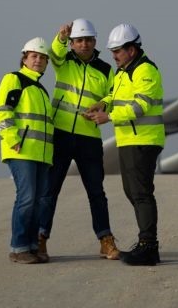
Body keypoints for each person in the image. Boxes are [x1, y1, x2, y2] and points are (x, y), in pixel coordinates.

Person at [38, 19, 120, 261]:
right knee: (49, 191)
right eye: (79, 40)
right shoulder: (64, 61)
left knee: (96, 192)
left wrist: (103, 104)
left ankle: (106, 240)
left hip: (89, 138)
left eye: (88, 40)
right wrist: (61, 38)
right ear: (73, 44)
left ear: (95, 42)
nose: (84, 44)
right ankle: (40, 239)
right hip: (61, 135)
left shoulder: (105, 69)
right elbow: (54, 52)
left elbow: (113, 95)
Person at [85, 23, 165, 266]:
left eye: (118, 50)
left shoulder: (145, 71)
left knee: (141, 193)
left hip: (144, 140)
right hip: (129, 140)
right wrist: (103, 104)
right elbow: (116, 97)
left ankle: (148, 246)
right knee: (133, 192)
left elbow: (140, 106)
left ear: (132, 49)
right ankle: (146, 244)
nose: (114, 55)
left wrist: (108, 117)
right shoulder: (123, 72)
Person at [0, 37, 54, 264]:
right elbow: (2, 112)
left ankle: (30, 246)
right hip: (21, 151)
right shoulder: (14, 80)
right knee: (27, 199)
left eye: (42, 58)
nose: (38, 60)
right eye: (34, 56)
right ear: (25, 58)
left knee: (37, 201)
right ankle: (18, 248)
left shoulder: (40, 90)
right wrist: (12, 139)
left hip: (41, 154)